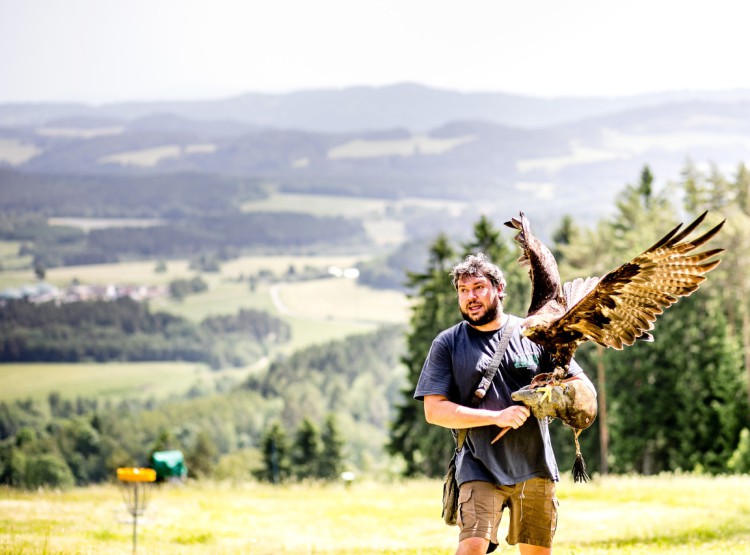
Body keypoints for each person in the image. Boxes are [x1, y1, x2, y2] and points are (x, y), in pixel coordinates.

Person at [414, 253, 596, 555]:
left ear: (499, 289)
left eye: (478, 287)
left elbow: (583, 388)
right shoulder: (447, 343)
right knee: (471, 546)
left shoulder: (536, 333)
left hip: (535, 465)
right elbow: (434, 411)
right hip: (479, 465)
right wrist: (496, 416)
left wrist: (557, 398)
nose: (470, 296)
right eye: (463, 290)